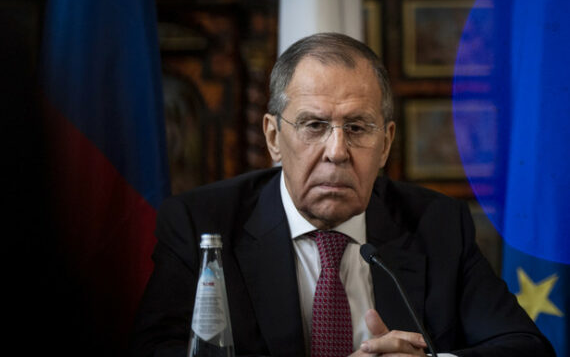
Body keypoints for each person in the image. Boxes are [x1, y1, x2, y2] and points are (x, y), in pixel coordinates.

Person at [130, 33, 554, 357]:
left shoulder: (438, 225)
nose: (337, 151)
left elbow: (526, 347)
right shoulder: (202, 223)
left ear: (386, 143)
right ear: (274, 137)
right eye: (314, 126)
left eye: (357, 128)